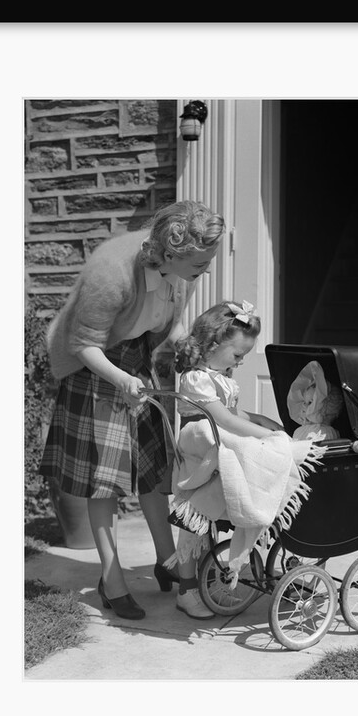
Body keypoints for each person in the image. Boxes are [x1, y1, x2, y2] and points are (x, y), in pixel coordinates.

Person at [39, 200, 226, 620]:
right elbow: (82, 343)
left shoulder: (182, 272)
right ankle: (111, 579)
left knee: (153, 468)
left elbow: (169, 322)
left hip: (136, 360)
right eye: (199, 264)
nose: (206, 271)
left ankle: (167, 561)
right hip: (94, 366)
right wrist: (121, 379)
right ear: (171, 252)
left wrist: (185, 345)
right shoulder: (111, 270)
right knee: (103, 481)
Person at [168, 300, 292, 606]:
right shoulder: (196, 378)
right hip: (199, 452)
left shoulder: (220, 377)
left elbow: (232, 414)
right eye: (238, 354)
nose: (240, 362)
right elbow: (222, 419)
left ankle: (222, 562)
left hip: (216, 447)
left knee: (206, 519)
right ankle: (186, 590)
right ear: (213, 344)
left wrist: (261, 421)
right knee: (193, 526)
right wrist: (266, 435)